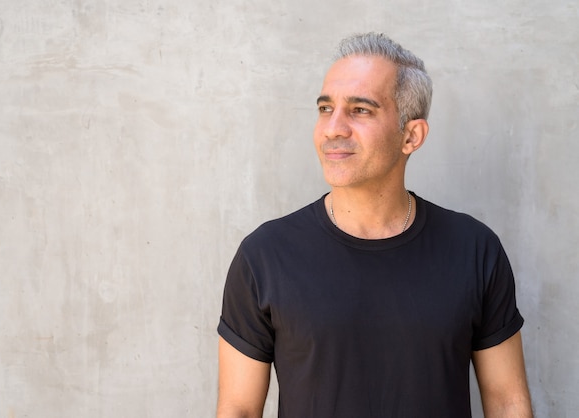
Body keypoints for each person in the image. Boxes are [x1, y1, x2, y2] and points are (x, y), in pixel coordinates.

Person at [216, 32, 532, 417]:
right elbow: (238, 409)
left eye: (360, 110)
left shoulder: (474, 250)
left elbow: (506, 401)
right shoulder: (264, 256)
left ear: (411, 135)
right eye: (325, 108)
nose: (333, 128)